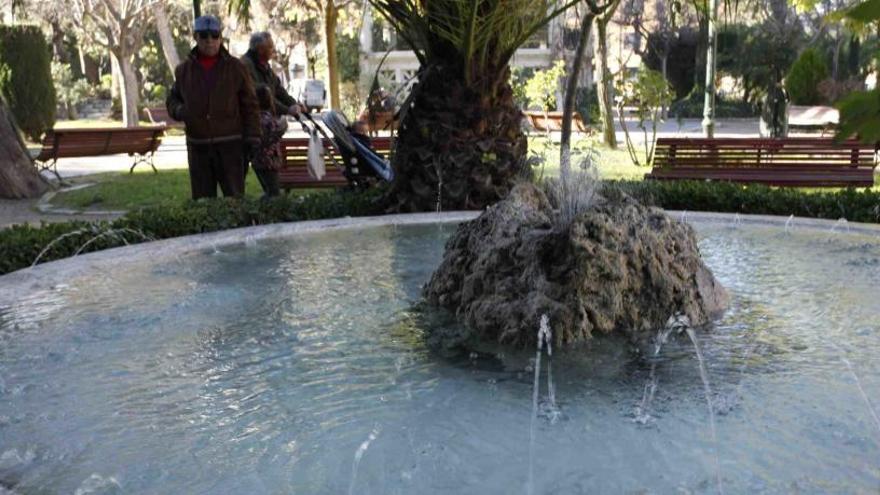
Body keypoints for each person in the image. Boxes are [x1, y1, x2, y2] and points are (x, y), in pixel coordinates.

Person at [166, 15, 260, 199]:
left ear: (220, 38)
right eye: (204, 35)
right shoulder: (183, 70)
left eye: (214, 35)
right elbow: (173, 99)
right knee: (203, 204)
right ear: (195, 37)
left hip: (231, 146)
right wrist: (180, 111)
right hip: (198, 147)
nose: (209, 40)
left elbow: (250, 104)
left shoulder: (236, 67)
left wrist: (253, 138)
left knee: (234, 200)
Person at [241, 32, 305, 118]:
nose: (274, 50)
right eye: (270, 47)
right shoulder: (245, 65)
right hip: (253, 119)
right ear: (260, 49)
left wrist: (295, 104)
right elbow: (263, 96)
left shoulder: (266, 67)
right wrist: (287, 110)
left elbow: (279, 90)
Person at [252, 86, 288, 197]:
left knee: (269, 190)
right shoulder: (268, 120)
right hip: (269, 161)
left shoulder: (256, 119)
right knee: (274, 192)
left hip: (258, 160)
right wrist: (284, 124)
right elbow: (277, 131)